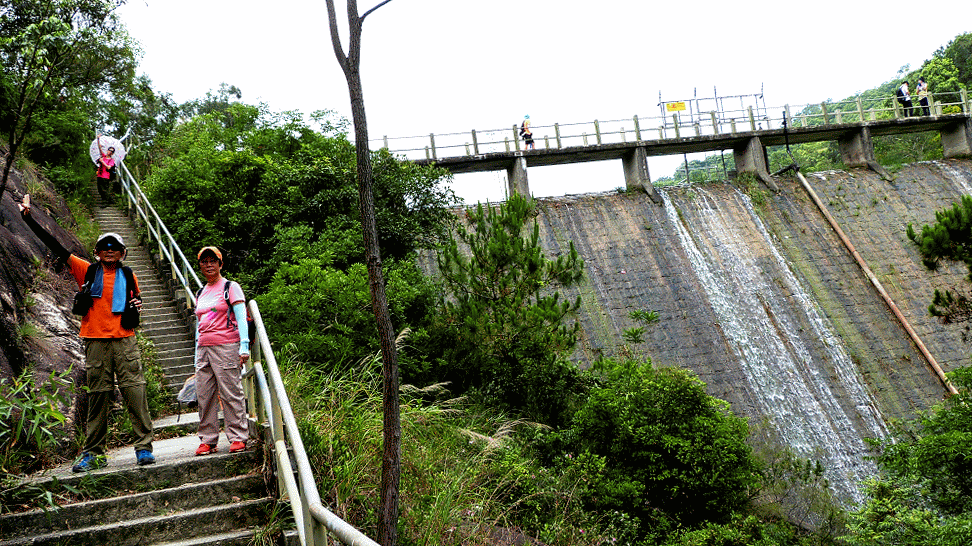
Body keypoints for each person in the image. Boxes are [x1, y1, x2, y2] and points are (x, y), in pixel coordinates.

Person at [18, 194, 154, 472]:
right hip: (95, 341)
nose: (109, 251)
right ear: (97, 252)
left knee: (135, 393)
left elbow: (135, 305)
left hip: (125, 340)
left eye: (114, 248)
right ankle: (93, 453)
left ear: (122, 253)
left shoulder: (129, 276)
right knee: (98, 396)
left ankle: (144, 448)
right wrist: (29, 219)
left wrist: (137, 306)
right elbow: (56, 247)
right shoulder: (87, 271)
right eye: (104, 247)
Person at [192, 246, 250, 456]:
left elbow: (241, 317)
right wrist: (196, 354)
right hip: (204, 348)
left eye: (213, 261)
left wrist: (244, 346)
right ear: (200, 266)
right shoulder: (201, 292)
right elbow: (200, 323)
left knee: (230, 392)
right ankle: (208, 440)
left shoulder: (230, 287)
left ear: (220, 264)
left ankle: (238, 436)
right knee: (204, 394)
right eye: (204, 261)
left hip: (226, 345)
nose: (209, 265)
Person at [95, 136, 116, 206]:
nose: (109, 151)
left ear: (112, 153)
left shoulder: (111, 160)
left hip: (105, 176)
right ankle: (110, 200)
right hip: (100, 174)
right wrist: (98, 139)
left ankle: (105, 202)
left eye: (111, 151)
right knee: (99, 189)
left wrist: (102, 162)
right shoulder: (103, 156)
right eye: (109, 150)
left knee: (104, 189)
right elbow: (99, 148)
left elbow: (109, 167)